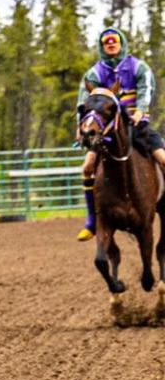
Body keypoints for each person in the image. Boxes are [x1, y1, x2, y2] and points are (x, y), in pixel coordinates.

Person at [75, 26, 165, 241]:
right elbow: (83, 102)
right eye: (107, 42)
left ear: (121, 43)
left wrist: (140, 111)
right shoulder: (94, 73)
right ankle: (92, 221)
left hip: (138, 126)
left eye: (114, 40)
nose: (111, 44)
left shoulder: (138, 67)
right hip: (108, 131)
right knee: (87, 167)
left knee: (163, 159)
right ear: (102, 46)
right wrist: (81, 129)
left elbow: (146, 91)